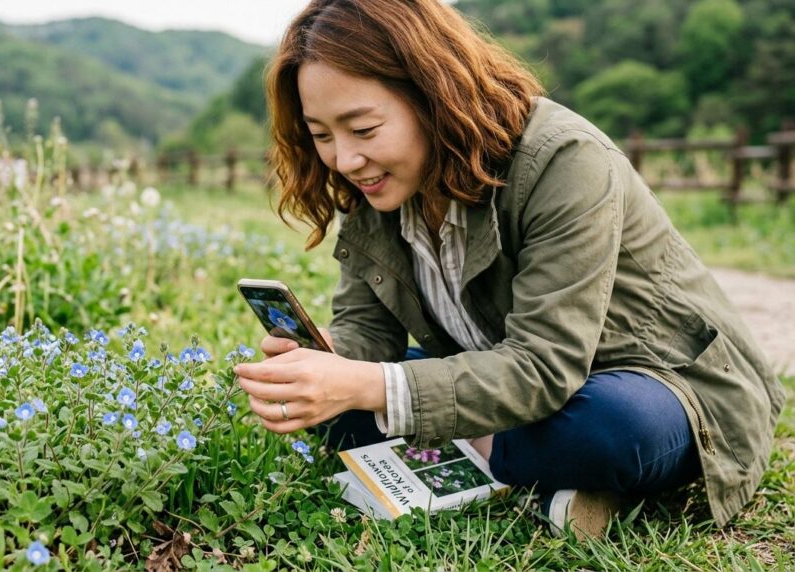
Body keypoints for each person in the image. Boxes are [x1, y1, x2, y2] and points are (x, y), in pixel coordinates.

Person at [233, 0, 785, 539]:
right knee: (338, 409)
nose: (345, 160)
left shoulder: (563, 160)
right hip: (511, 378)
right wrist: (331, 357)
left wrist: (375, 386)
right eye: (323, 135)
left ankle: (486, 453)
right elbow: (370, 333)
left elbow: (545, 365)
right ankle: (548, 477)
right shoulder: (377, 187)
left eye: (364, 129)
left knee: (609, 430)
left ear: (431, 96)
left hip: (657, 383)